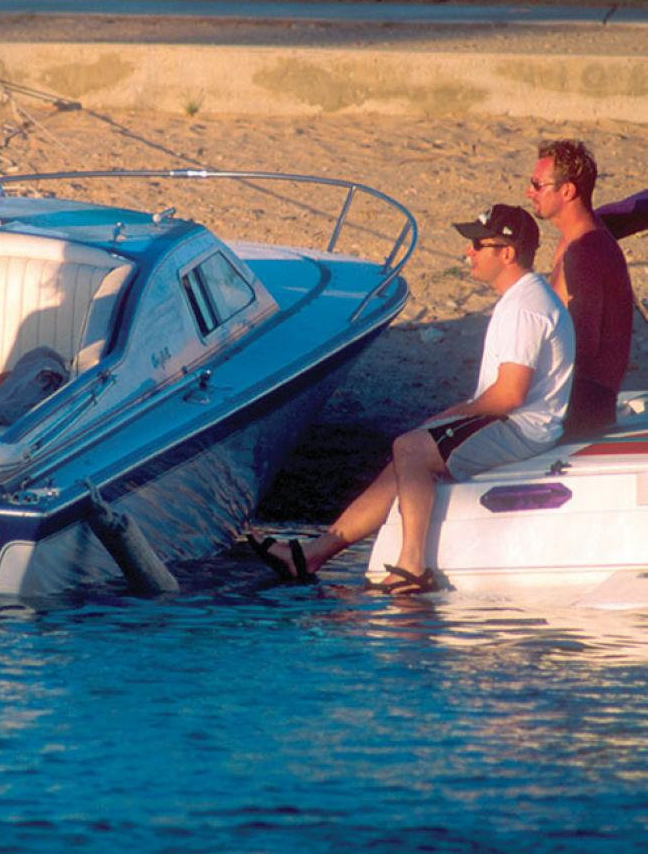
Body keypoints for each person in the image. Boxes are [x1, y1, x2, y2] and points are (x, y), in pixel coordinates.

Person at [249, 204, 574, 595]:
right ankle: (311, 555)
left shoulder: (526, 308)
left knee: (411, 447)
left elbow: (508, 396)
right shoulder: (523, 298)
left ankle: (412, 565)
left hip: (521, 429)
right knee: (406, 454)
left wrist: (447, 416)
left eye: (477, 244)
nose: (467, 253)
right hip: (512, 421)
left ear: (507, 254)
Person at [525, 139, 634, 439]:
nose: (529, 192)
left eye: (537, 184)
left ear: (567, 191)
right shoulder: (576, 239)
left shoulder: (585, 252)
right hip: (578, 397)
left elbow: (581, 345)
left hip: (581, 407)